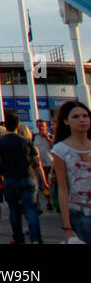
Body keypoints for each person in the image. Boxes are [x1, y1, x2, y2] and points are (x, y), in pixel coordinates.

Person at [0, 110, 47, 244]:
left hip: (10, 179)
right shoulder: (26, 141)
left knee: (14, 210)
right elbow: (37, 162)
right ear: (17, 125)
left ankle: (18, 238)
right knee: (31, 209)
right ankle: (36, 239)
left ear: (5, 125)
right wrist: (43, 180)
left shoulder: (0, 142)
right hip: (28, 177)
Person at [51, 100, 91, 244]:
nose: (82, 120)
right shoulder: (61, 149)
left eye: (85, 116)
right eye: (76, 117)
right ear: (66, 121)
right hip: (79, 214)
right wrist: (67, 226)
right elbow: (63, 188)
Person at [34, 118, 55, 211]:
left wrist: (47, 137)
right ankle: (48, 202)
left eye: (42, 126)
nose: (41, 128)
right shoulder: (34, 137)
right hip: (39, 165)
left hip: (50, 164)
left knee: (51, 184)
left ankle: (54, 201)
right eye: (39, 126)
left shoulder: (50, 136)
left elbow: (54, 147)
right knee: (42, 184)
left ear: (46, 126)